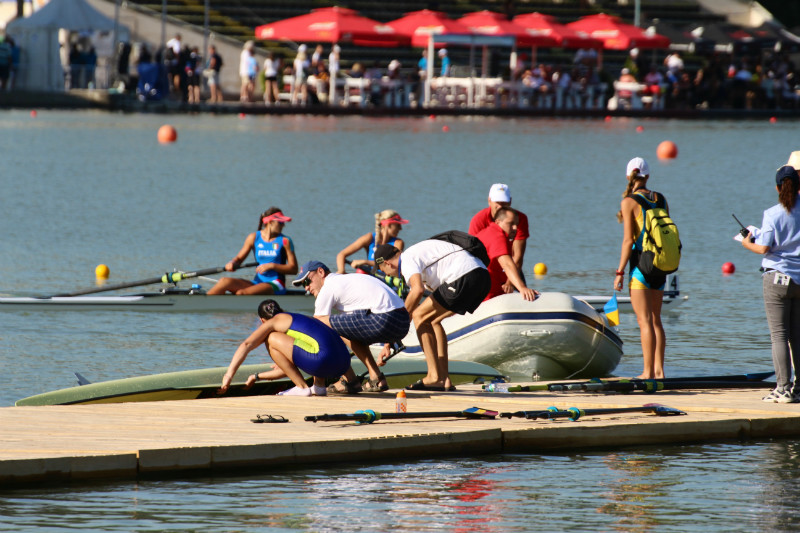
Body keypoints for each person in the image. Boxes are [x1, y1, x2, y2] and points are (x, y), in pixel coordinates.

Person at [373, 240, 491, 391]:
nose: (386, 275)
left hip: (463, 274)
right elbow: (417, 304)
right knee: (433, 320)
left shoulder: (407, 259)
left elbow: (417, 291)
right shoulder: (420, 260)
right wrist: (389, 342)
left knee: (419, 316)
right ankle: (444, 379)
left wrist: (397, 323)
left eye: (382, 271)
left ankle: (433, 376)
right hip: (482, 277)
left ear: (387, 263)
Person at [292, 261, 410, 394]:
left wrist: (293, 355)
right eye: (303, 285)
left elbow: (315, 328)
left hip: (384, 318)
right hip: (403, 321)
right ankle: (376, 378)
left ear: (321, 272)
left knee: (322, 323)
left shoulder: (329, 286)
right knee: (343, 325)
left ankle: (349, 380)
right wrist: (388, 344)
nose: (306, 288)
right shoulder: (348, 280)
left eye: (307, 281)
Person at [741, 159, 800, 403]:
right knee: (796, 336)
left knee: (779, 336)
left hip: (776, 278)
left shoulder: (772, 213)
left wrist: (747, 242)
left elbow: (764, 247)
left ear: (777, 188)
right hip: (799, 280)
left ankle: (783, 389)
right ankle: (798, 389)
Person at [218, 299, 351, 397]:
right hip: (344, 363)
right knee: (316, 344)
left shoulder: (274, 321)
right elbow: (287, 370)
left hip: (323, 361)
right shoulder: (298, 318)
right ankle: (319, 387)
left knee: (270, 338)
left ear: (262, 320)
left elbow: (246, 345)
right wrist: (256, 377)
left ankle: (302, 387)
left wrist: (229, 375)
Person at [614, 157, 668, 379]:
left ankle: (647, 373)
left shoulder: (629, 201)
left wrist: (619, 272)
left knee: (644, 321)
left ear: (628, 176)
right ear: (648, 176)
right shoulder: (661, 198)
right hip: (660, 264)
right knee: (656, 320)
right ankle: (659, 371)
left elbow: (628, 241)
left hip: (640, 266)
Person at [207, 207, 298, 295]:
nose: (283, 225)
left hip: (277, 284)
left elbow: (294, 269)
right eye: (280, 222)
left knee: (241, 293)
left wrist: (271, 266)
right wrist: (232, 263)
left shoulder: (285, 241)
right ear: (270, 222)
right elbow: (239, 259)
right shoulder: (254, 237)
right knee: (224, 281)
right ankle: (206, 303)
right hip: (257, 282)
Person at [475, 207, 538, 302]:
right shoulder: (496, 236)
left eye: (516, 224)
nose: (515, 228)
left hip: (492, 291)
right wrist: (522, 288)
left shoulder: (488, 232)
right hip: (486, 297)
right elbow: (507, 264)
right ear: (497, 222)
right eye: (511, 223)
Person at [469, 183, 530, 274]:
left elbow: (518, 257)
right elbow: (472, 254)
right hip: (485, 270)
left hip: (511, 268)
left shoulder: (520, 219)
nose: (501, 206)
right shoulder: (478, 220)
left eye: (504, 203)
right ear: (489, 201)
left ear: (510, 202)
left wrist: (510, 280)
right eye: (497, 202)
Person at [336, 210, 409, 274]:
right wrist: (341, 271)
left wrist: (365, 262)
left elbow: (388, 261)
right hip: (372, 274)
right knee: (360, 271)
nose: (400, 228)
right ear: (388, 225)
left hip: (388, 277)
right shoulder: (369, 238)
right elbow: (341, 255)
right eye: (398, 225)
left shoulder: (398, 243)